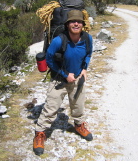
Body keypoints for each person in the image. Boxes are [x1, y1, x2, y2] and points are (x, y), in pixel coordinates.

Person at [33, 10, 93, 156]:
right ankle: (40, 133)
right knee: (51, 108)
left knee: (78, 105)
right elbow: (49, 59)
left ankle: (79, 125)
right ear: (67, 24)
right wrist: (65, 75)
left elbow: (89, 53)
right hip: (59, 80)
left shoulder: (87, 38)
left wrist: (84, 68)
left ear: (83, 24)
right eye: (73, 21)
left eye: (79, 21)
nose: (76, 23)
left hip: (78, 78)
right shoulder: (59, 40)